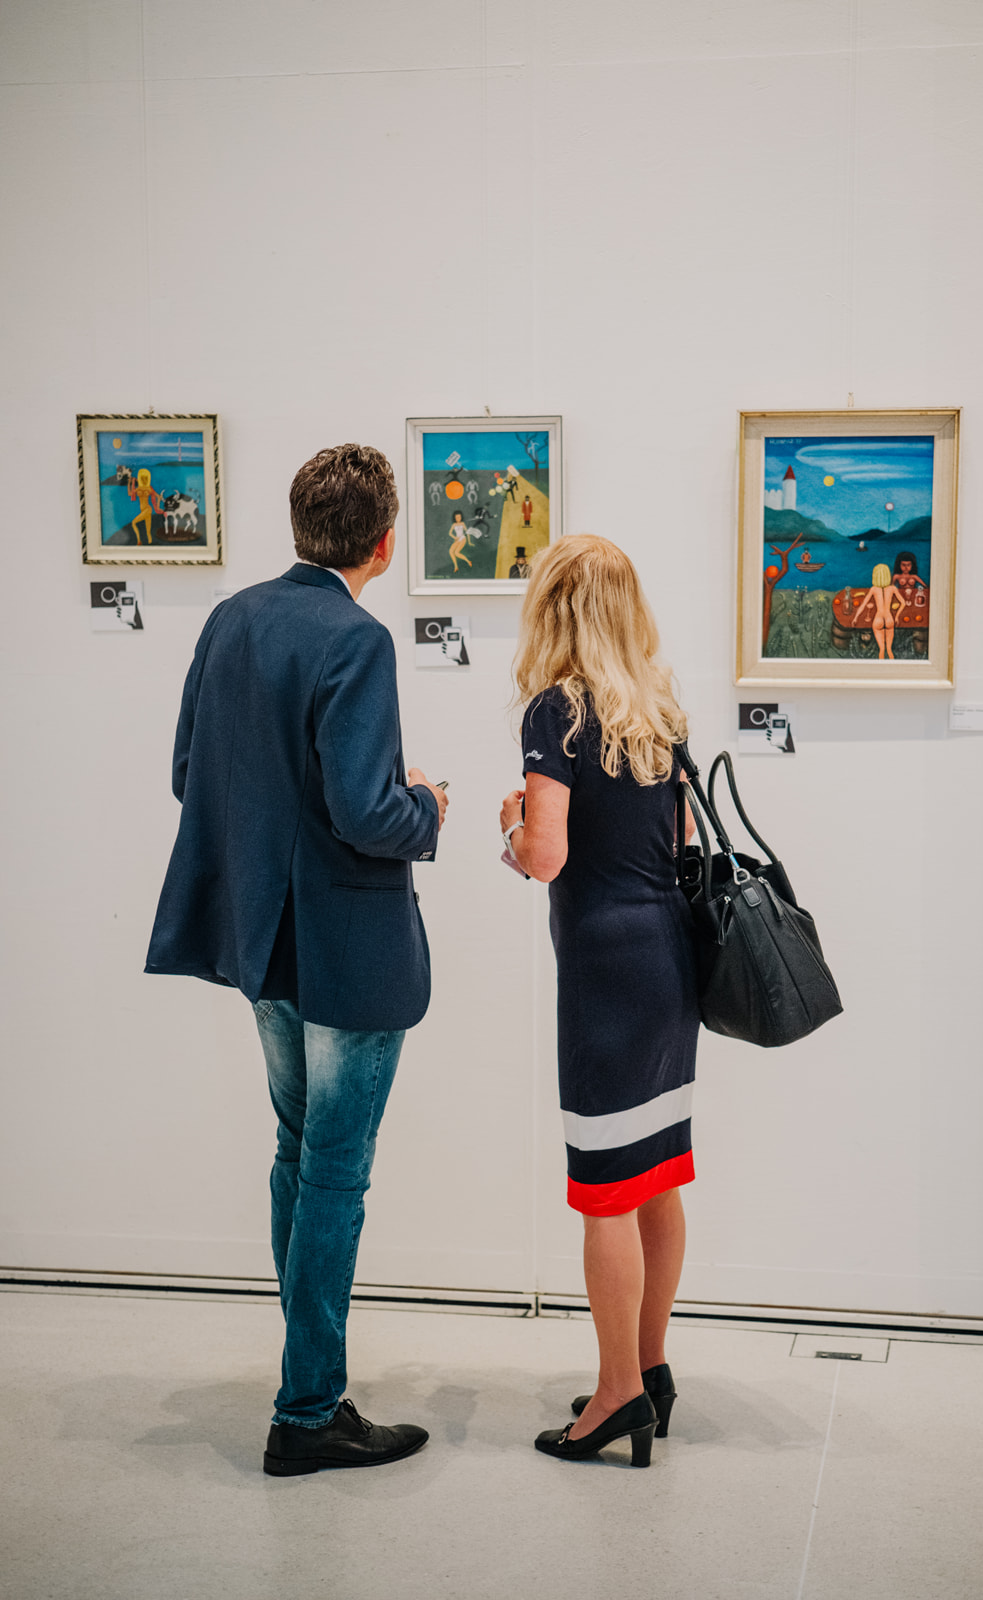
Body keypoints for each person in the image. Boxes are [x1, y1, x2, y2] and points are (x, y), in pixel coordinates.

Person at [145, 443, 448, 1476]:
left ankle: (307, 1382)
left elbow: (191, 771)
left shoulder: (232, 619)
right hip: (345, 948)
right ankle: (308, 1408)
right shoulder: (356, 639)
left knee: (297, 1151)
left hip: (261, 940)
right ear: (385, 541)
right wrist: (426, 804)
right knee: (334, 1172)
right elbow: (366, 813)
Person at [498, 535, 698, 1468]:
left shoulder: (557, 713)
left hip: (603, 972)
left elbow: (545, 857)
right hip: (669, 963)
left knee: (604, 1191)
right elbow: (678, 841)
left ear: (554, 610)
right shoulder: (659, 709)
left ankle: (617, 1394)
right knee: (654, 1174)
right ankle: (649, 1369)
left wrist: (509, 826)